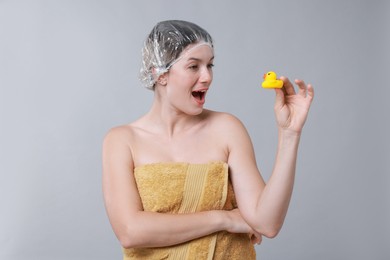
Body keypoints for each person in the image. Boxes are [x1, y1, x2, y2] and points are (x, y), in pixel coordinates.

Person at [102, 20, 314, 260]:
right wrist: (225, 218)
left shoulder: (227, 129)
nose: (207, 77)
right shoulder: (122, 141)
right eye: (194, 66)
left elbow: (267, 223)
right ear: (159, 73)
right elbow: (130, 232)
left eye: (210, 65)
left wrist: (289, 134)